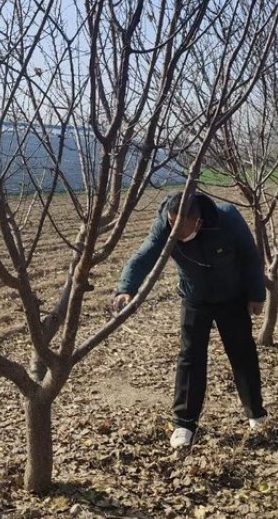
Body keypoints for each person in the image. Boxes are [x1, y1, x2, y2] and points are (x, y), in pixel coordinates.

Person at [112, 190, 268, 450]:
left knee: (242, 353)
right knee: (190, 357)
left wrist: (256, 294)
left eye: (181, 228)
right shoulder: (166, 224)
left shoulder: (227, 218)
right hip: (195, 297)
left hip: (232, 297)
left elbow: (250, 256)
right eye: (172, 225)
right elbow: (144, 255)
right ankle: (184, 423)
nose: (176, 234)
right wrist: (126, 288)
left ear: (198, 222)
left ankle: (255, 413)